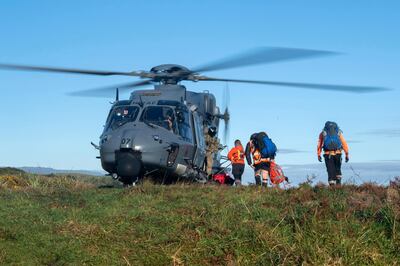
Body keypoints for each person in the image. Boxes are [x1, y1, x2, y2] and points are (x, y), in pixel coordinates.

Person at [317, 121, 349, 186]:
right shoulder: (338, 132)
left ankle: (332, 188)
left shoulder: (323, 133)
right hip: (338, 153)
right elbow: (344, 142)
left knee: (330, 170)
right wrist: (347, 154)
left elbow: (319, 144)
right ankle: (339, 186)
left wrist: (318, 154)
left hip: (328, 154)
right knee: (338, 169)